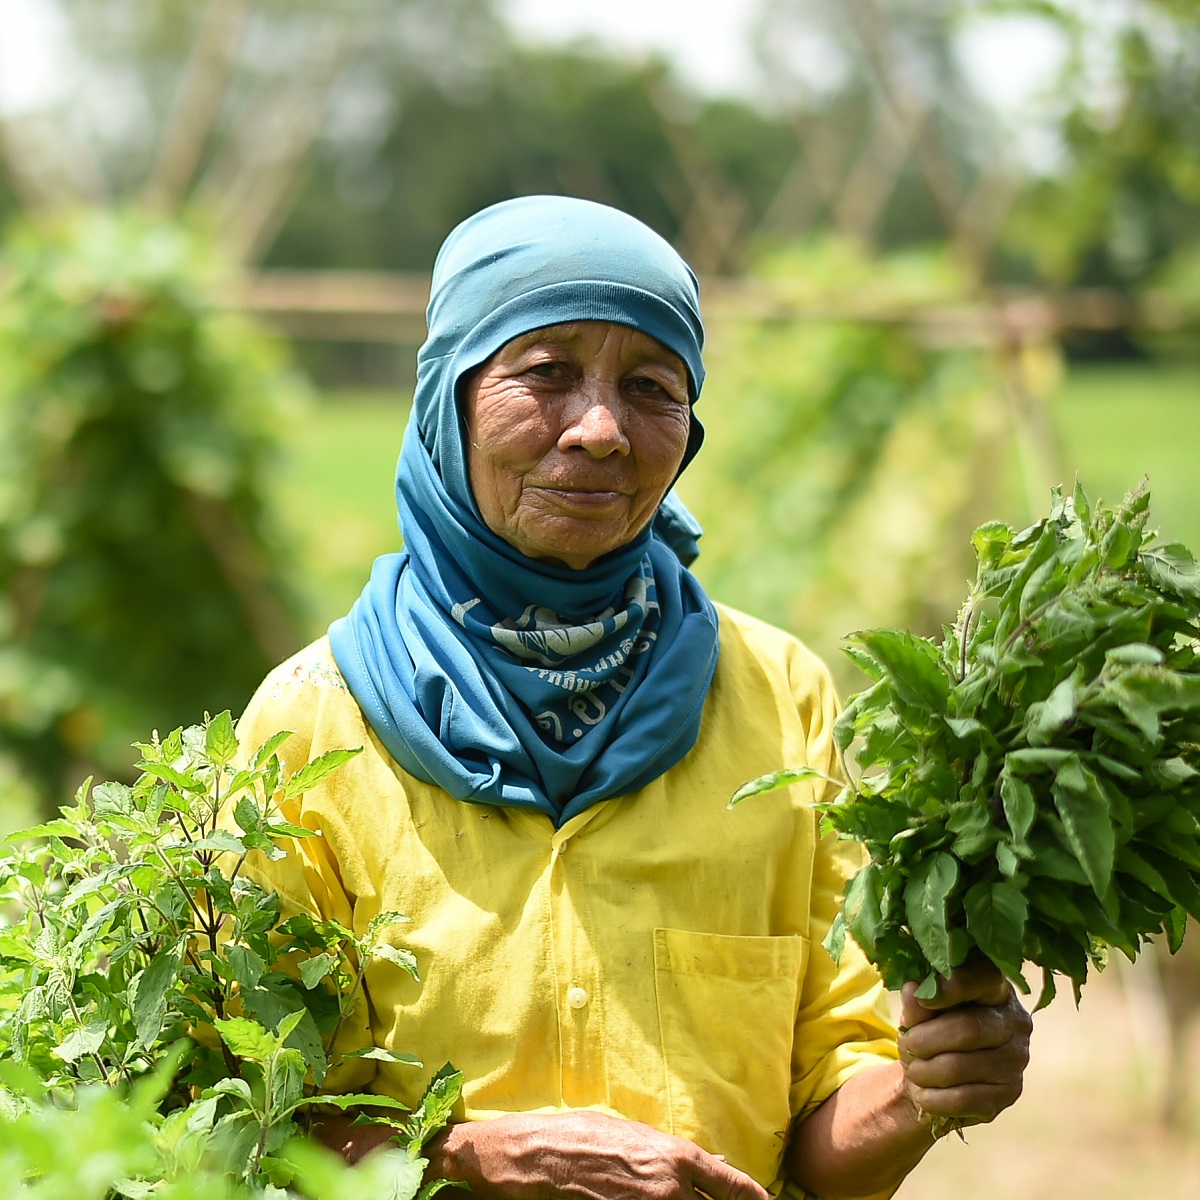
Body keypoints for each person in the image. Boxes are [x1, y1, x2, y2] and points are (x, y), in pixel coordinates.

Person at [235, 195, 1032, 1200]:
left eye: (652, 387)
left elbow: (829, 1125)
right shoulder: (311, 723)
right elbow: (243, 1122)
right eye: (547, 373)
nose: (604, 430)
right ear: (450, 397)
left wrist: (925, 1088)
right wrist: (475, 1159)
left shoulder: (780, 698)